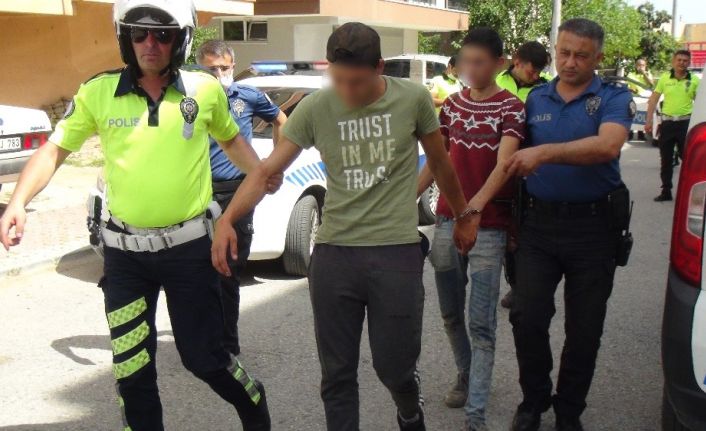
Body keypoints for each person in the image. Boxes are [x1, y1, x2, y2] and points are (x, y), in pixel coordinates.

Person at [0, 1, 275, 430]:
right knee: (132, 370)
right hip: (125, 257)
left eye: (163, 35)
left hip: (189, 251)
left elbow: (235, 147)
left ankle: (254, 403)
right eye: (138, 33)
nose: (150, 43)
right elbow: (54, 151)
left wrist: (253, 184)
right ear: (124, 37)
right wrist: (18, 201)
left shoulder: (204, 90)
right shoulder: (98, 91)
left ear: (180, 40)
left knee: (205, 359)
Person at [211, 22, 476, 431]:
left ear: (380, 67)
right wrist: (228, 219)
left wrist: (462, 217)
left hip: (396, 251)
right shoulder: (317, 107)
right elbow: (266, 171)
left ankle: (409, 408)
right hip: (335, 254)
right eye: (339, 80)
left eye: (357, 81)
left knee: (395, 368)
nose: (348, 91)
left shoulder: (413, 99)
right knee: (336, 375)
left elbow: (441, 163)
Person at [504, 19, 635, 431]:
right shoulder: (535, 97)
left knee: (585, 329)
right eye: (564, 52)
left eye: (581, 55)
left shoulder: (614, 96)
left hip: (594, 228)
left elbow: (608, 145)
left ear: (598, 58)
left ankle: (569, 410)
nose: (570, 62)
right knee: (526, 317)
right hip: (538, 225)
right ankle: (534, 400)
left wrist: (544, 154)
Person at [417, 27, 525, 430]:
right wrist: (407, 197)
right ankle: (465, 373)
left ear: (500, 63)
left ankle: (475, 415)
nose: (471, 69)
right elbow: (437, 160)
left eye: (480, 62)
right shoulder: (452, 106)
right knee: (449, 313)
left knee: (482, 324)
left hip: (489, 227)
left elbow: (505, 166)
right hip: (446, 221)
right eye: (466, 61)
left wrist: (472, 211)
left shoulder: (511, 108)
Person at [195, 39, 287, 357]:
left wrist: (275, 163)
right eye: (211, 69)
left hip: (237, 193)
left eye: (224, 68)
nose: (219, 74)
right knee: (197, 271)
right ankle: (202, 336)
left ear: (233, 67)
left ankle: (227, 346)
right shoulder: (187, 100)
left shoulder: (247, 96)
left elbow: (281, 120)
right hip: (197, 195)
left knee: (228, 270)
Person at [495, 40, 551, 310]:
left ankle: (523, 286)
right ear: (517, 61)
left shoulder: (546, 90)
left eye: (540, 71)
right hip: (498, 165)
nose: (535, 75)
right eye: (532, 70)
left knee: (524, 230)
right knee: (504, 228)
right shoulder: (496, 81)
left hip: (530, 168)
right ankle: (512, 282)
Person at [646, 50, 700, 202]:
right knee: (666, 160)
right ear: (673, 61)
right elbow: (653, 99)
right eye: (679, 60)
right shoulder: (665, 78)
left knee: (688, 160)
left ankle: (690, 191)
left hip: (686, 124)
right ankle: (666, 191)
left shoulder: (695, 80)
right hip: (668, 124)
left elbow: (700, 104)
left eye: (685, 60)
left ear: (689, 63)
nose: (682, 63)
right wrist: (648, 121)